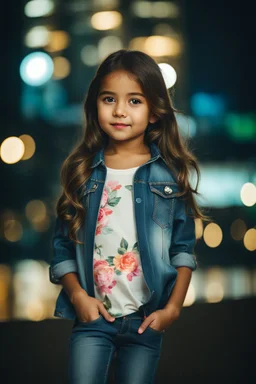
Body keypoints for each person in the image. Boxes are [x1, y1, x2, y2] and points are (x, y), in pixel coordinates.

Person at [49, 49, 208, 384]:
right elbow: (63, 246)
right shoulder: (82, 173)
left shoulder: (168, 177)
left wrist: (173, 309)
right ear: (95, 104)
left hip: (145, 322)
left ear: (154, 111)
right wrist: (78, 297)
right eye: (109, 99)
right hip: (92, 321)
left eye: (134, 101)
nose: (120, 111)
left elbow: (183, 250)